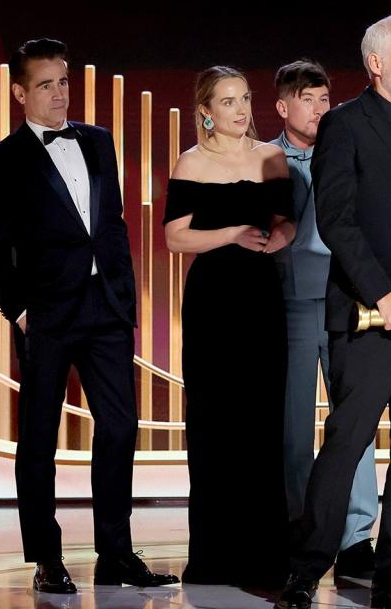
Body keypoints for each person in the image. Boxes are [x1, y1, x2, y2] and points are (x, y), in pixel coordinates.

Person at [0, 38, 178, 594]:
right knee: (39, 438)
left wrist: (125, 293)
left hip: (106, 310)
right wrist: (17, 311)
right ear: (19, 92)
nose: (59, 93)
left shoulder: (98, 141)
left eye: (63, 81)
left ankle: (116, 554)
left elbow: (110, 222)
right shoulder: (1, 162)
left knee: (119, 427)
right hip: (46, 313)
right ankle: (46, 557)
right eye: (45, 84)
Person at [276, 15, 391, 609]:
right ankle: (305, 573)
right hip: (369, 321)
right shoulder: (344, 126)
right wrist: (385, 296)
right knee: (346, 444)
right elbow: (339, 223)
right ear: (377, 64)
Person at [164, 66, 296, 587]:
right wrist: (236, 232)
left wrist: (277, 240)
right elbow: (176, 237)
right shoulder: (191, 162)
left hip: (262, 297)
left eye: (244, 99)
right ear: (206, 111)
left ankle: (264, 558)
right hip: (214, 302)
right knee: (215, 422)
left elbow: (287, 220)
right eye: (227, 102)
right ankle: (215, 558)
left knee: (262, 421)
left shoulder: (271, 156)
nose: (241, 110)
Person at [271, 60, 379, 578]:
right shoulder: (265, 159)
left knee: (354, 423)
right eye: (307, 99)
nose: (318, 109)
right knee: (291, 427)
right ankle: (298, 529)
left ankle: (357, 537)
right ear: (282, 107)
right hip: (289, 305)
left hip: (348, 304)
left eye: (323, 99)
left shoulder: (351, 150)